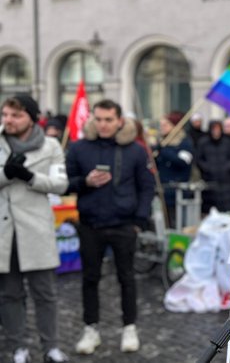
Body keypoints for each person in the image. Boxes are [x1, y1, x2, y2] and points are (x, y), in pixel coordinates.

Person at [66, 99, 155, 355]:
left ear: (119, 121)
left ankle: (129, 327)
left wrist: (139, 220)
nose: (103, 124)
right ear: (92, 119)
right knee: (89, 278)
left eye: (108, 119)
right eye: (99, 119)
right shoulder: (79, 148)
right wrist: (86, 182)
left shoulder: (135, 150)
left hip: (124, 224)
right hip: (90, 224)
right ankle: (90, 328)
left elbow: (146, 187)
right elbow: (67, 183)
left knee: (126, 278)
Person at [0, 95, 70, 363]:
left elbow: (60, 184)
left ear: (31, 118)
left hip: (36, 230)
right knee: (10, 294)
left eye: (16, 115)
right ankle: (18, 347)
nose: (8, 120)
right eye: (5, 114)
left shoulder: (51, 145)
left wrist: (30, 177)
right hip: (4, 231)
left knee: (45, 293)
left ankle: (51, 347)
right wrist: (6, 174)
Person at [153, 111, 194, 227]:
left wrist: (164, 151)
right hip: (162, 192)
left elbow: (184, 162)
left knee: (177, 225)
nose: (162, 127)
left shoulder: (184, 143)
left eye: (165, 125)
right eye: (161, 125)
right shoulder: (160, 143)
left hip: (177, 194)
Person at [195, 120, 230, 213]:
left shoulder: (227, 143)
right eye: (214, 129)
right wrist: (207, 168)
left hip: (225, 180)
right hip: (209, 180)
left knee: (225, 207)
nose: (216, 132)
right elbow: (199, 159)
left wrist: (226, 168)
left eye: (218, 129)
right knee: (209, 207)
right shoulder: (203, 143)